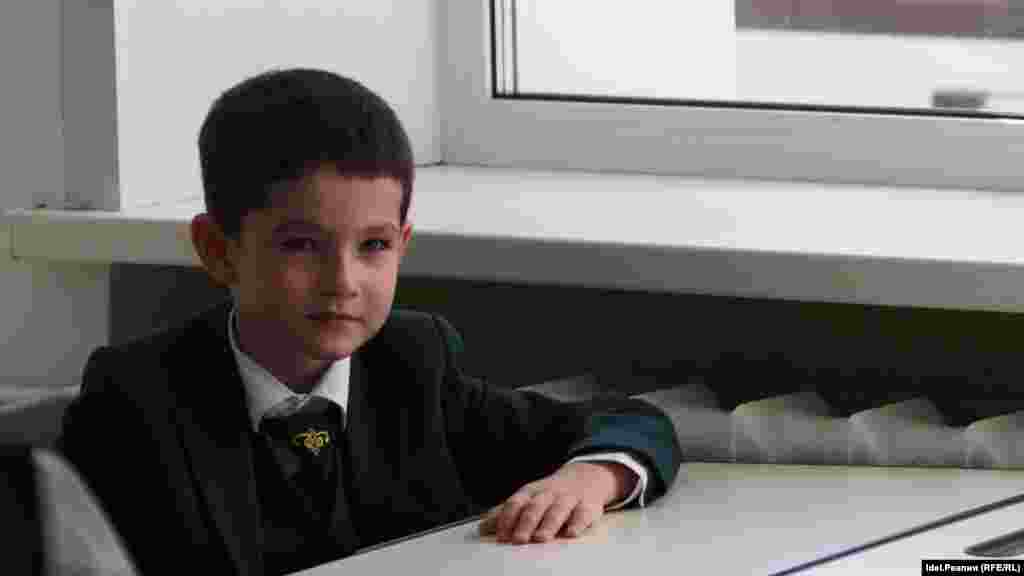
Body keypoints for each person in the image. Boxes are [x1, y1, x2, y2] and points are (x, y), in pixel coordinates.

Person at [58, 68, 683, 576]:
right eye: (301, 246)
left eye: (374, 246)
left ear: (402, 246)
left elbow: (630, 420)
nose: (343, 281)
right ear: (218, 250)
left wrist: (589, 477)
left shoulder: (415, 364)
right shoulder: (137, 397)